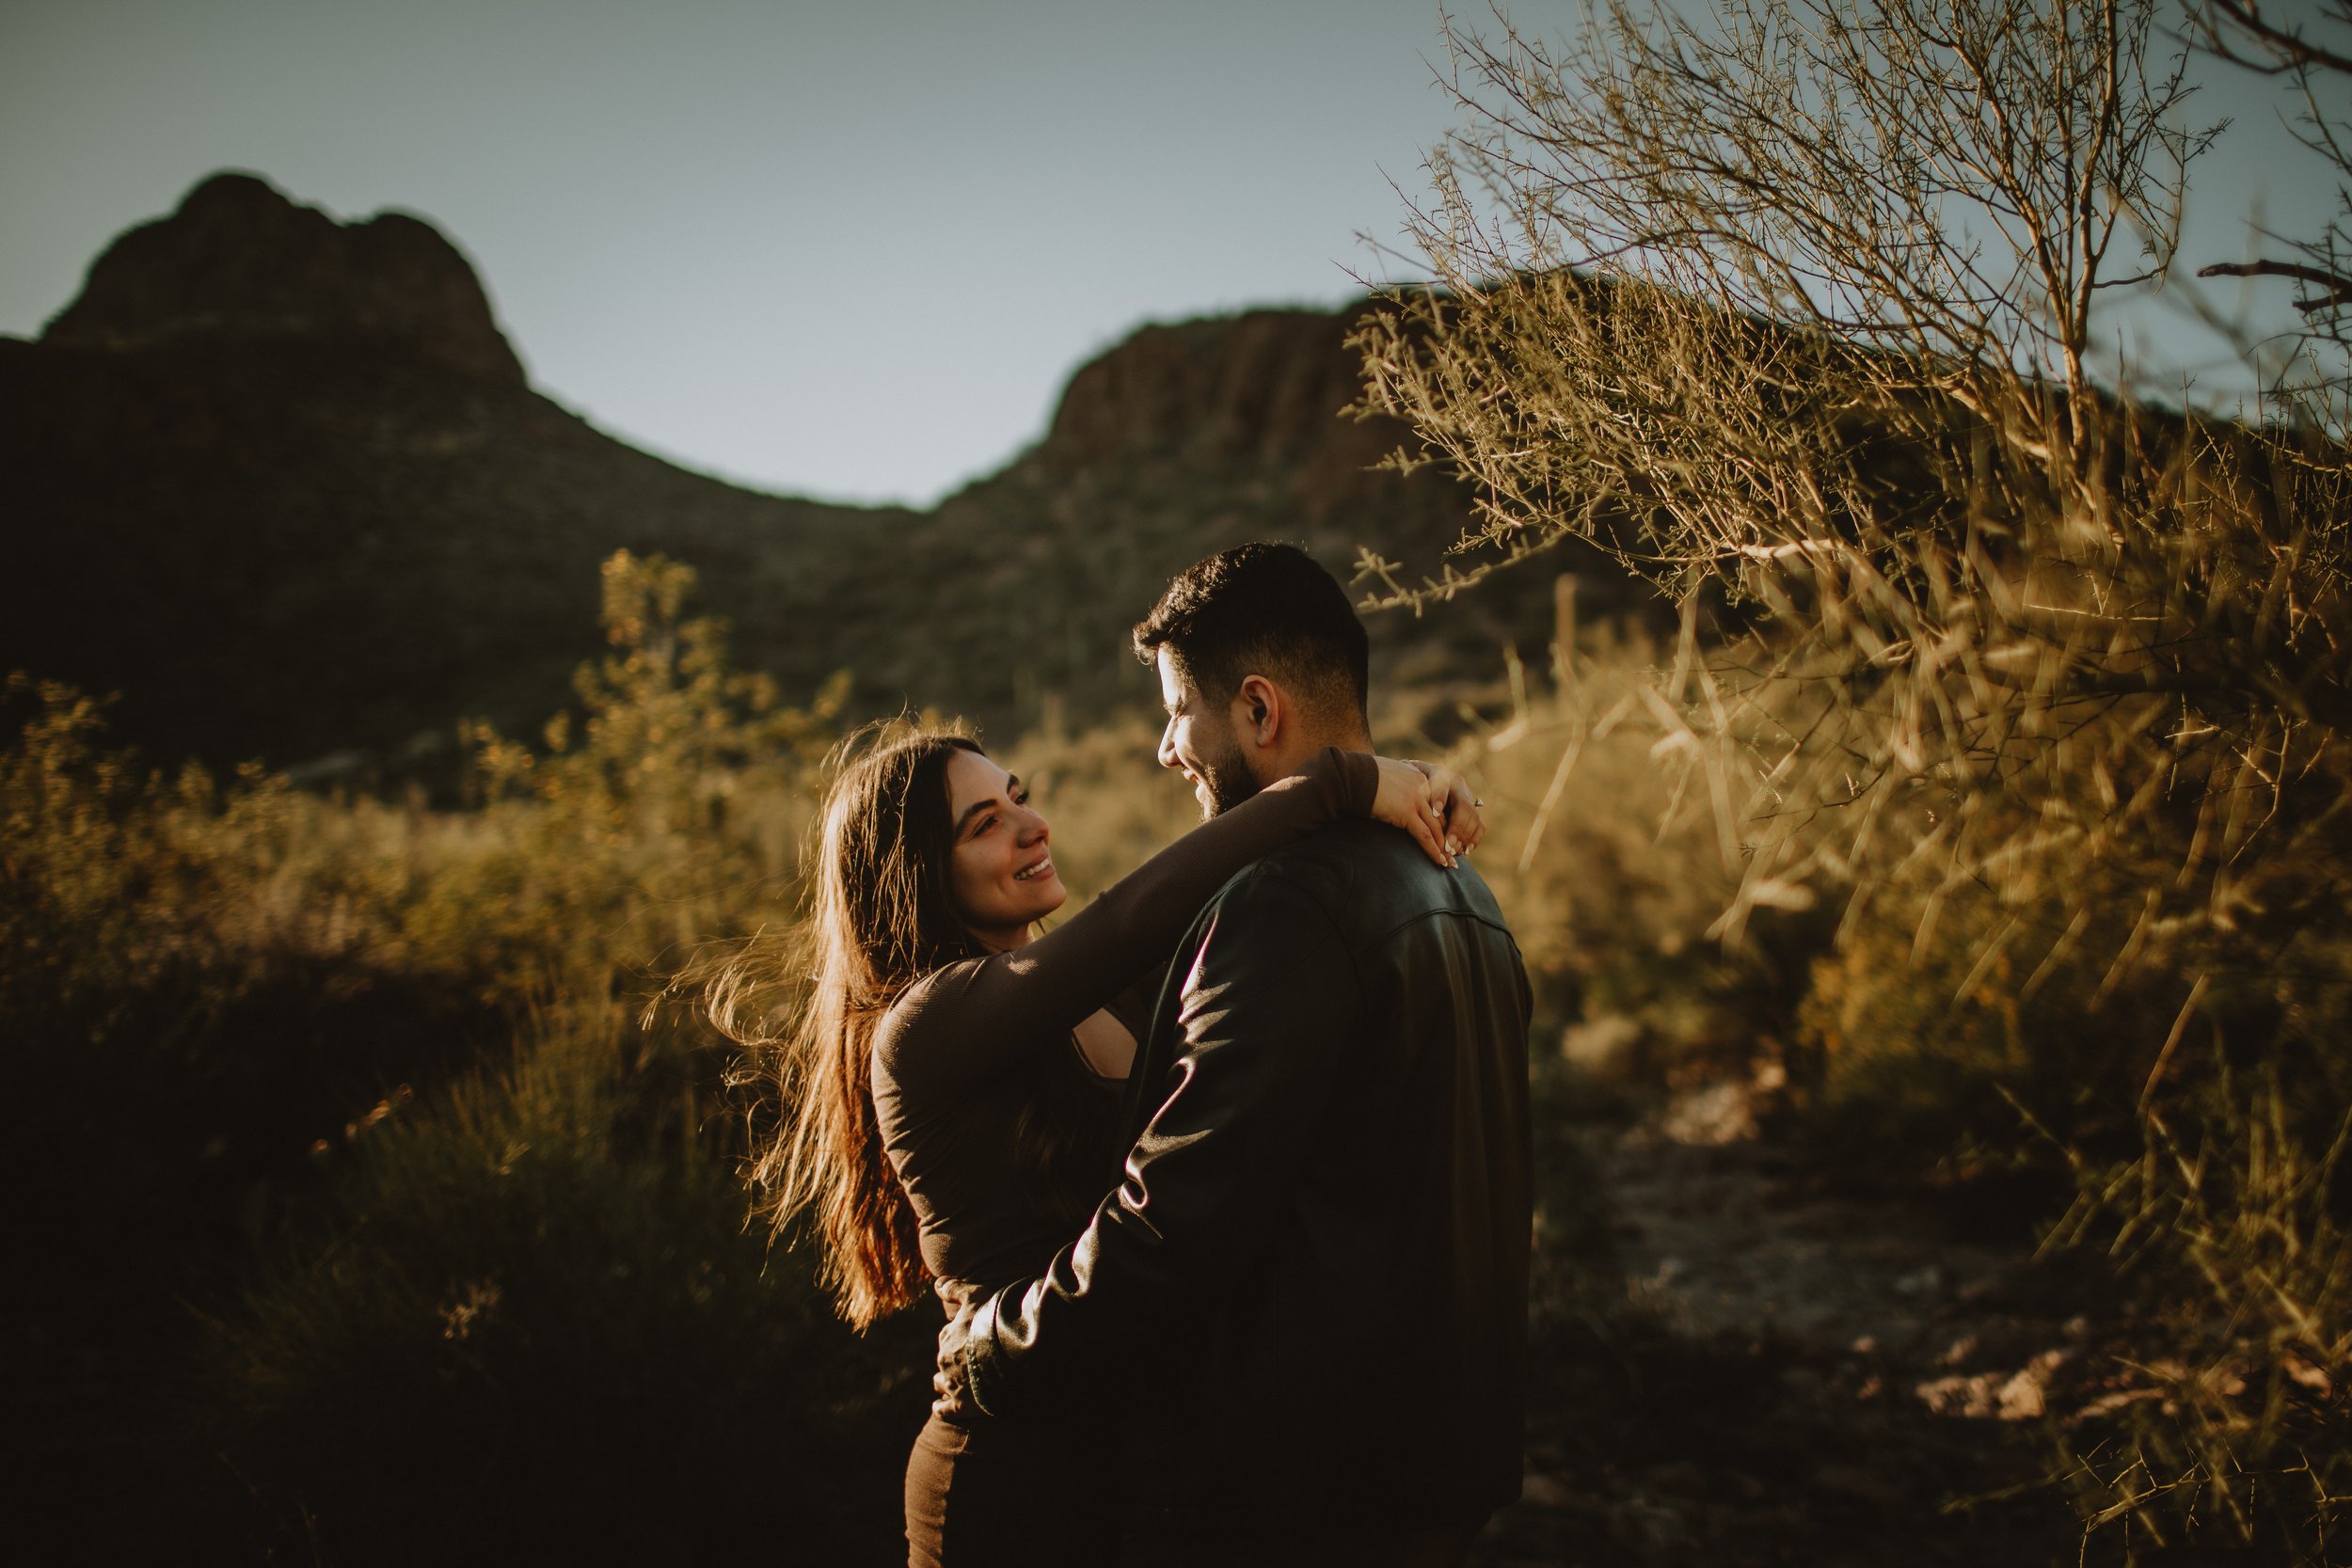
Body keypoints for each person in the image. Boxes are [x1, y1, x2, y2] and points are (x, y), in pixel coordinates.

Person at [707, 709, 1484, 1567]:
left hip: (1132, 1469)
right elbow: (1141, 911)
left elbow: (1238, 907)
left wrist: (1409, 782)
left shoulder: (1110, 996)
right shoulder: (924, 1025)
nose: (1033, 826)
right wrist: (1345, 780)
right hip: (1008, 1469)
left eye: (1019, 797)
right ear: (923, 872)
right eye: (986, 824)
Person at [934, 543, 1534, 1567]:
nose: (1168, 748)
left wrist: (995, 1346)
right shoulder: (1463, 889)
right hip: (1438, 1465)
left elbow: (1171, 1226)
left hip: (1298, 1495)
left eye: (1179, 711)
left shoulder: (1283, 903)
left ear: (1257, 710)